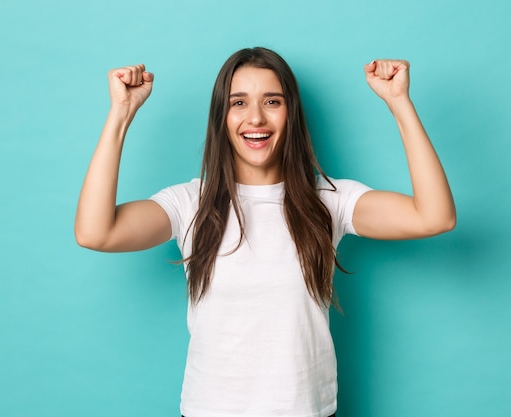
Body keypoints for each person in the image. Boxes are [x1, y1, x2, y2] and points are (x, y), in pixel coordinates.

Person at [74, 47, 455, 417]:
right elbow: (96, 233)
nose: (255, 117)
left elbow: (434, 217)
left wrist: (399, 102)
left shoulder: (329, 201)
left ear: (291, 114)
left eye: (272, 101)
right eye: (238, 102)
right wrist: (121, 114)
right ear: (221, 117)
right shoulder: (191, 202)